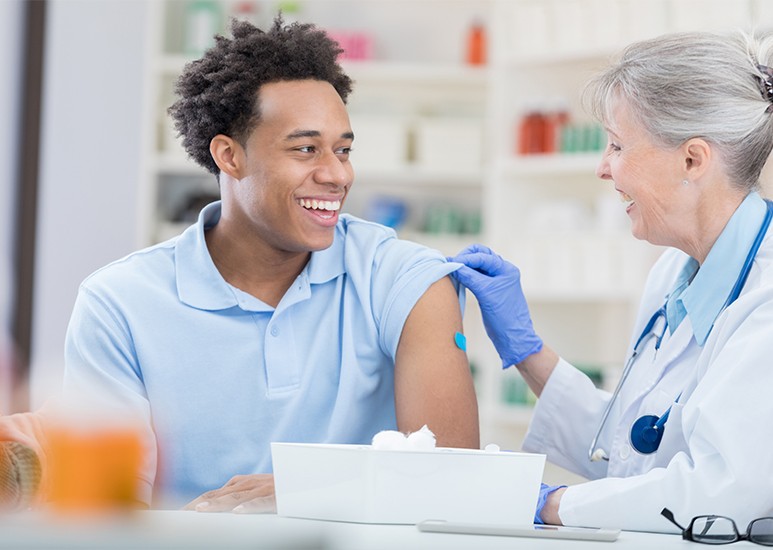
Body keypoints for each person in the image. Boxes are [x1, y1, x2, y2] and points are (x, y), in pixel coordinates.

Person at [62, 16, 479, 511]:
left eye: (343, 149)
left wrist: (310, 493)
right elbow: (105, 514)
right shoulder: (119, 303)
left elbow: (454, 480)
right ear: (229, 156)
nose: (337, 174)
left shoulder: (404, 281)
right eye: (305, 149)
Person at [451, 29, 773, 532]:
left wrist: (550, 506)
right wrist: (528, 352)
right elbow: (634, 448)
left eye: (618, 145)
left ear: (693, 159)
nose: (604, 167)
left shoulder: (765, 297)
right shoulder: (672, 273)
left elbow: (724, 491)